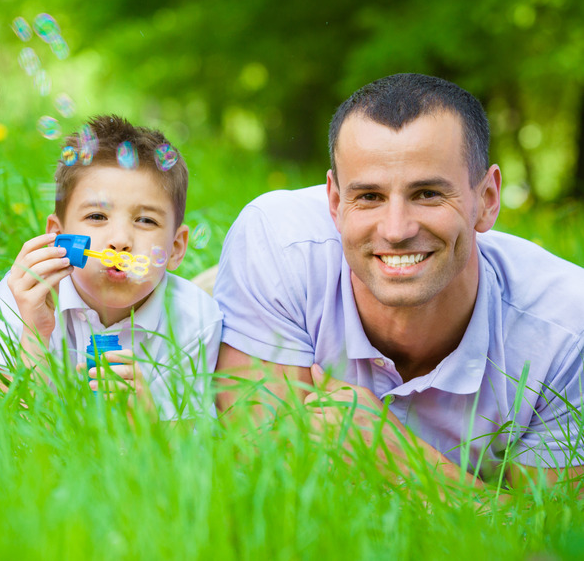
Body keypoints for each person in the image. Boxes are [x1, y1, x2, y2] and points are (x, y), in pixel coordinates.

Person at [214, 73, 584, 487]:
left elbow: (545, 538)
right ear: (334, 202)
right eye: (369, 197)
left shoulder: (568, 331)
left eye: (427, 193)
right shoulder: (278, 245)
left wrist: (401, 460)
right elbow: (265, 479)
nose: (395, 229)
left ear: (487, 199)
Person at [0, 116, 221, 420]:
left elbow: (188, 455)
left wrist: (147, 417)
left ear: (176, 249)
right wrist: (35, 333)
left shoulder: (195, 320)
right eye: (97, 217)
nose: (119, 241)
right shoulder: (23, 296)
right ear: (59, 237)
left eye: (145, 220)